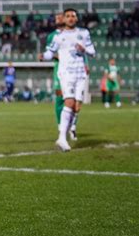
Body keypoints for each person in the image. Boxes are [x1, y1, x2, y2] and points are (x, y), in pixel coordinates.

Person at [39, 8, 96, 151]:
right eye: (68, 16)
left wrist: (84, 50)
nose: (71, 18)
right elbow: (49, 52)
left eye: (73, 16)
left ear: (76, 19)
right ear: (64, 19)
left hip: (80, 74)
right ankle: (62, 137)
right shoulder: (59, 37)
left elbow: (93, 52)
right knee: (69, 102)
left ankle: (69, 129)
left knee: (76, 107)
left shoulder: (84, 33)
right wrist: (43, 57)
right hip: (66, 74)